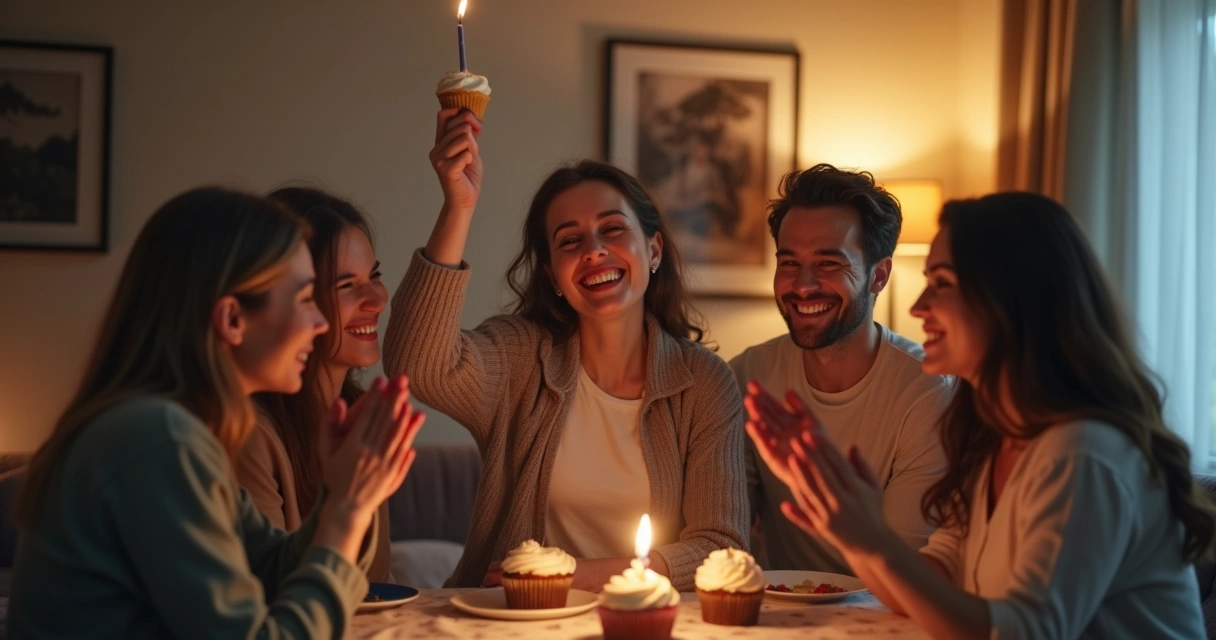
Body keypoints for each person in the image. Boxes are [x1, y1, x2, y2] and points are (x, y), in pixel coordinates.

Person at [746, 192, 1214, 638]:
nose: (917, 307)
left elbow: (1027, 632)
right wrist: (841, 518)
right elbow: (931, 583)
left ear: (1014, 300)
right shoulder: (991, 436)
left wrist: (870, 538)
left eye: (942, 284)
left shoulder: (1082, 451)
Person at [7, 187, 423, 638]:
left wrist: (337, 490)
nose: (320, 324)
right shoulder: (156, 439)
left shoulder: (176, 430)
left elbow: (269, 567)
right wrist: (346, 509)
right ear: (231, 319)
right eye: (305, 299)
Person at [382, 109, 749, 592]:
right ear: (554, 275)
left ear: (654, 251)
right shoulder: (519, 359)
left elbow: (719, 548)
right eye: (570, 240)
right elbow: (417, 365)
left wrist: (573, 574)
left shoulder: (703, 382)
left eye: (613, 229)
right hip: (514, 623)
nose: (593, 250)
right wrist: (459, 206)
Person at [729, 164, 952, 573]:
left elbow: (913, 567)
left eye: (829, 264)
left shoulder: (927, 390)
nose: (803, 285)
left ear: (879, 275)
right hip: (778, 615)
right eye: (790, 263)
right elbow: (726, 535)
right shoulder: (747, 375)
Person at [237, 186, 394, 582]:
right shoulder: (250, 435)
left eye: (374, 275)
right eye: (346, 286)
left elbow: (374, 587)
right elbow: (268, 598)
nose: (377, 298)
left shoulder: (363, 422)